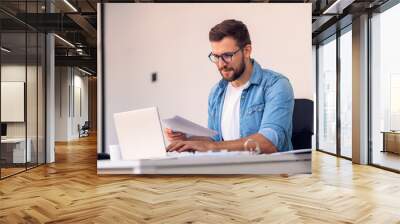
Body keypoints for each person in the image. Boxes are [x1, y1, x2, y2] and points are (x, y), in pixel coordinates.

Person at [166, 19, 294, 154]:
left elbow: (269, 142)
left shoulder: (276, 85)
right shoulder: (217, 92)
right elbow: (215, 141)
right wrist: (187, 138)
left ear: (247, 51)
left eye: (227, 56)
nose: (221, 64)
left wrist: (213, 147)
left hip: (268, 172)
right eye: (216, 57)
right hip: (229, 170)